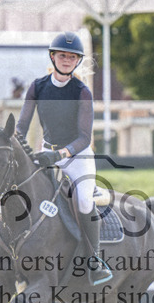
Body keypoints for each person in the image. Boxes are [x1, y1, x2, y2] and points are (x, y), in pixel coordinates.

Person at [15, 31, 112, 286]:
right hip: (47, 152)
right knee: (23, 190)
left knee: (81, 201)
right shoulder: (37, 86)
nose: (67, 60)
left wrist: (58, 155)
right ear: (53, 57)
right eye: (62, 55)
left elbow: (84, 137)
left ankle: (94, 260)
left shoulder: (82, 92)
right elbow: (22, 124)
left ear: (77, 61)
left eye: (72, 57)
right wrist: (15, 144)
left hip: (77, 156)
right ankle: (10, 252)